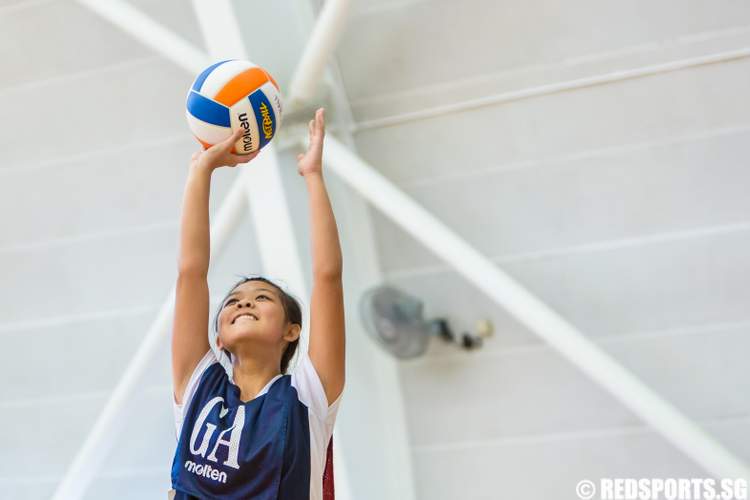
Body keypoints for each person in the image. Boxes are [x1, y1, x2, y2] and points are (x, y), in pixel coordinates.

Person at [169, 108, 345, 499]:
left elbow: (328, 278)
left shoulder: (309, 397)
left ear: (292, 330)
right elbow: (191, 274)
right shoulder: (198, 383)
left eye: (261, 298)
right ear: (218, 337)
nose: (244, 304)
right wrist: (201, 173)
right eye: (232, 302)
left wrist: (313, 177)